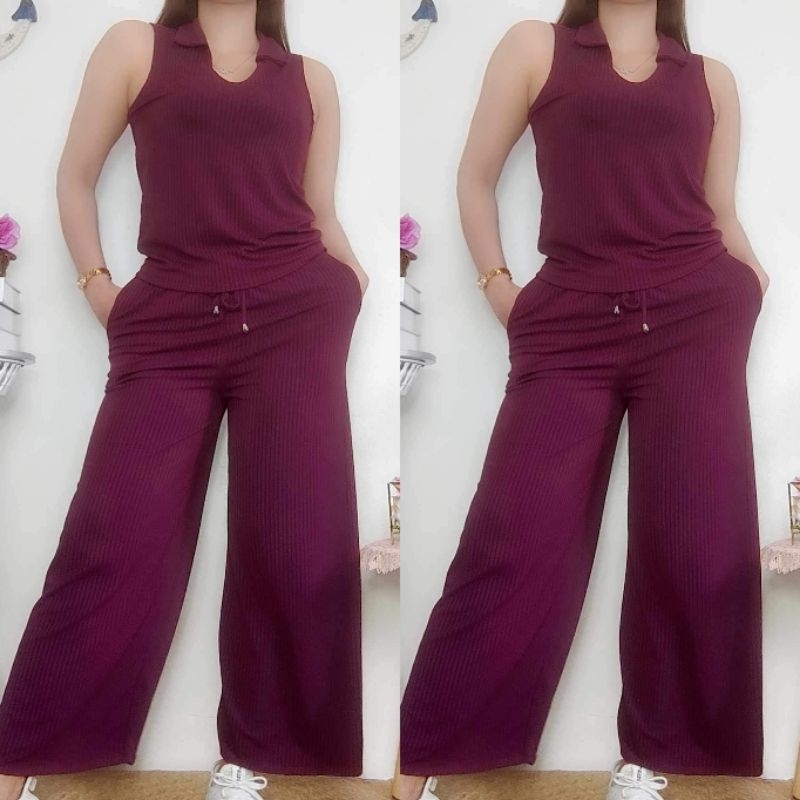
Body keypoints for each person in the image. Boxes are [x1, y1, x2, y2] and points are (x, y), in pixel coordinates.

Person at [396, 1, 766, 798]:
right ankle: (422, 759)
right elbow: (474, 176)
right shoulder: (538, 47)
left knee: (692, 547)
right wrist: (502, 288)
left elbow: (720, 210)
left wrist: (752, 280)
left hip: (696, 317)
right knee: (514, 540)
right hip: (569, 320)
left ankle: (650, 763)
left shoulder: (711, 80)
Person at [0, 1, 368, 798]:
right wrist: (101, 288)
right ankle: (17, 761)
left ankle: (250, 763)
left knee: (293, 547)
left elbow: (320, 208)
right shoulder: (137, 47)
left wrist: (353, 278)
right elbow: (74, 177)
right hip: (168, 320)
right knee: (113, 540)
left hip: (296, 317)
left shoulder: (311, 79)